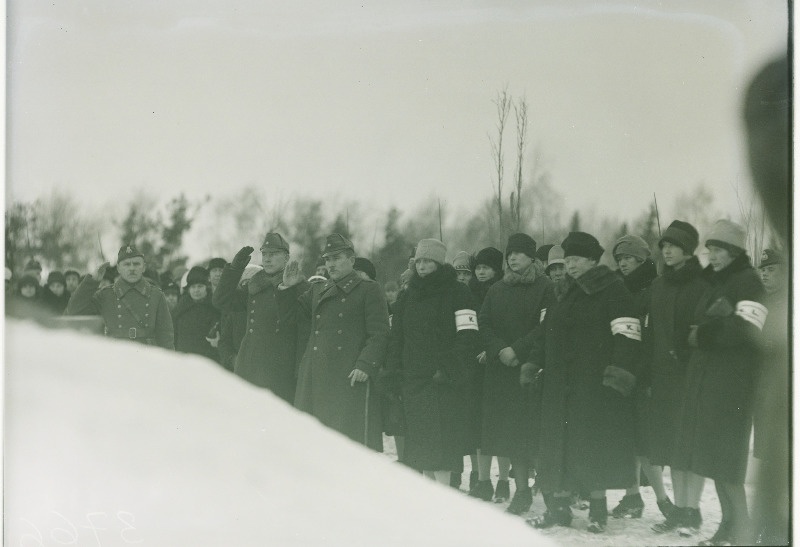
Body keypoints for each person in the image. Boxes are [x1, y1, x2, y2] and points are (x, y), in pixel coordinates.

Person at [528, 232, 640, 533]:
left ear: (592, 259)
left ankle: (597, 512)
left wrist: (617, 375)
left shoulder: (613, 290)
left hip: (593, 386)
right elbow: (548, 332)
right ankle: (559, 509)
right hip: (559, 385)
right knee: (559, 447)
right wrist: (534, 362)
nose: (571, 265)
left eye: (576, 259)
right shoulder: (564, 292)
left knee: (591, 447)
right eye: (568, 260)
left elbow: (628, 336)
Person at [672, 220, 767, 545]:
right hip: (707, 385)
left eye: (718, 249)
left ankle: (743, 530)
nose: (711, 255)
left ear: (734, 251)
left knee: (726, 464)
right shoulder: (715, 282)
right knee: (713, 462)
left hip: (732, 389)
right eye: (709, 249)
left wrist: (705, 334)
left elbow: (749, 328)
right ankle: (729, 525)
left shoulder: (749, 281)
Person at [385, 238, 478, 485]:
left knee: (443, 448)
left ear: (438, 262)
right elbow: (397, 338)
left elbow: (468, 336)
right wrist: (395, 372)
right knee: (420, 449)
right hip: (413, 382)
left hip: (443, 383)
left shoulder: (459, 292)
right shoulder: (407, 296)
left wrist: (447, 369)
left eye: (428, 261)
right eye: (419, 261)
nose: (422, 266)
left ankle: (445, 496)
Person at [287, 233, 390, 451]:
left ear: (351, 260)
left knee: (347, 444)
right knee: (313, 443)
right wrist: (289, 288)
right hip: (315, 375)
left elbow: (379, 333)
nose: (331, 264)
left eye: (336, 258)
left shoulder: (368, 289)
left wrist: (365, 365)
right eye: (327, 259)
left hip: (347, 376)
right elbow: (291, 317)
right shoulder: (317, 289)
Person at [479, 234, 555, 515]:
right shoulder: (496, 289)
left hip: (531, 371)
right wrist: (500, 349)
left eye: (519, 254)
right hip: (500, 373)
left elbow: (546, 326)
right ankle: (521, 491)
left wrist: (517, 350)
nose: (512, 258)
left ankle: (550, 494)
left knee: (534, 436)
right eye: (510, 254)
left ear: (532, 258)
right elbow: (483, 323)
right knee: (510, 435)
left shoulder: (545, 287)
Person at [644, 221, 708, 536]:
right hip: (662, 377)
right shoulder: (658, 285)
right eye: (664, 245)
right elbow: (652, 332)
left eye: (673, 245)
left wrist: (686, 354)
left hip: (691, 376)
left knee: (690, 445)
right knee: (670, 445)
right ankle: (679, 511)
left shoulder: (703, 283)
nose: (666, 250)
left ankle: (691, 511)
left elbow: (705, 330)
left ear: (688, 249)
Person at [609, 235, 669, 520]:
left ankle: (663, 500)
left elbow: (655, 338)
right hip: (621, 372)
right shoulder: (620, 289)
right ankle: (632, 497)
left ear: (642, 260)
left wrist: (645, 376)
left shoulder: (655, 288)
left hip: (645, 374)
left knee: (645, 442)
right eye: (620, 259)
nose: (623, 264)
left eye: (628, 258)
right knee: (626, 440)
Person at [212, 233, 309, 403]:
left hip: (279, 371)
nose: (267, 259)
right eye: (264, 254)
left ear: (286, 258)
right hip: (248, 367)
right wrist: (235, 269)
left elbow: (300, 329)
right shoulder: (255, 286)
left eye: (273, 254)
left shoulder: (299, 286)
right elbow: (220, 301)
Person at [64, 244, 174, 349]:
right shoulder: (105, 295)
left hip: (147, 358)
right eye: (126, 264)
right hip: (115, 358)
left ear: (144, 267)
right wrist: (92, 280)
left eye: (136, 264)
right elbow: (74, 309)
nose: (132, 268)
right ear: (118, 268)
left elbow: (166, 336)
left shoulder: (156, 295)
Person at [466, 246, 510, 500]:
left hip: (497, 364)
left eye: (486, 268)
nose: (481, 272)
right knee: (478, 425)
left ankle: (503, 480)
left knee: (499, 425)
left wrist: (490, 350)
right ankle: (482, 479)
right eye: (478, 268)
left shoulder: (503, 291)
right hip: (473, 366)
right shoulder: (468, 291)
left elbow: (502, 325)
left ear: (496, 269)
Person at [217, 264, 262, 373]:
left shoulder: (268, 306)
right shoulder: (236, 310)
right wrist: (232, 359)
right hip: (239, 370)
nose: (248, 287)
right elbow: (224, 342)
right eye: (245, 283)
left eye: (253, 282)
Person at [172, 266, 220, 362]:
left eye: (200, 286)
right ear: (188, 289)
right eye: (193, 287)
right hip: (184, 359)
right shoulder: (180, 309)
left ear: (207, 287)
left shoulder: (215, 308)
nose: (196, 290)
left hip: (209, 360)